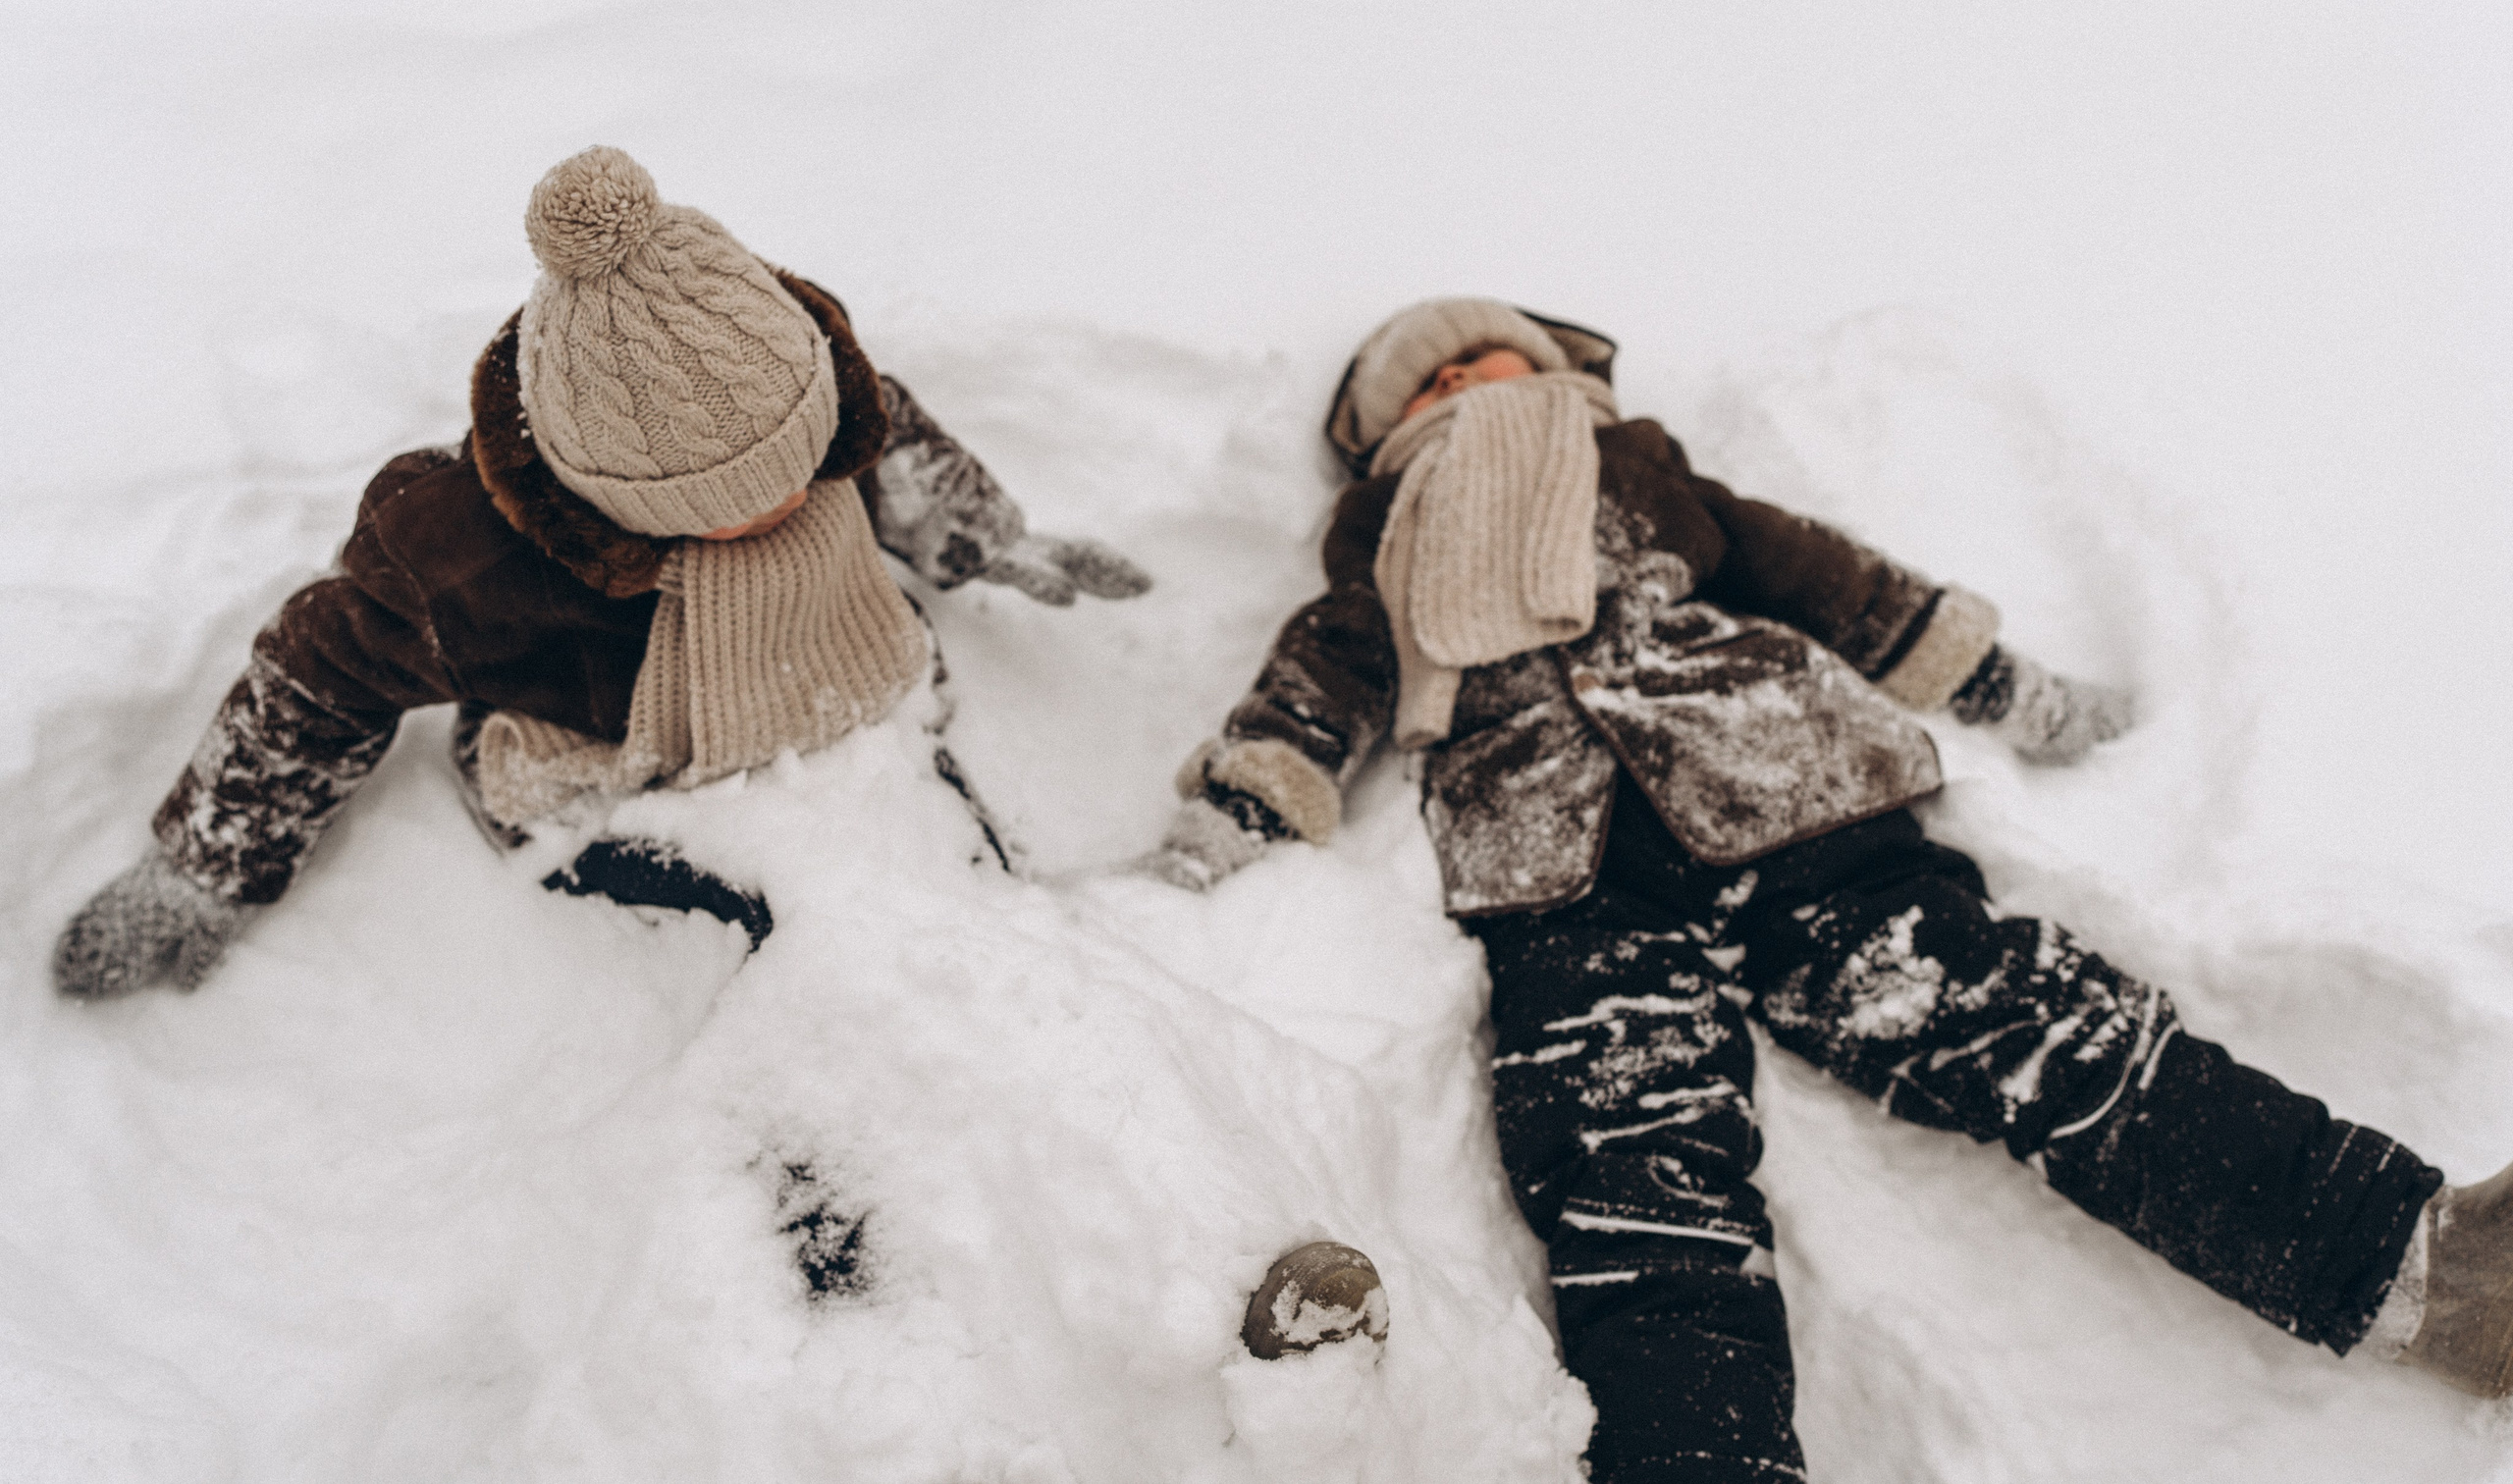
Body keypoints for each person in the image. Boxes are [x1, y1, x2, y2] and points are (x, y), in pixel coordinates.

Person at [1145, 295, 2511, 1478]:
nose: (1452, 391)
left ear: (1554, 367)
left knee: (2034, 1027)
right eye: (1419, 388)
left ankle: (2419, 1264)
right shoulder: (1384, 543)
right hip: (1559, 870)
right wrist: (1241, 808)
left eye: (1474, 363)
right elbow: (1319, 681)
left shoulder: (1642, 466)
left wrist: (2002, 685)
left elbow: (1829, 579)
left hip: (1790, 798)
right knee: (1631, 1171)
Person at [54, 146, 1150, 999]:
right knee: (794, 931)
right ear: (615, 496)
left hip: (845, 681)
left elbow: (894, 447)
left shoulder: (808, 396)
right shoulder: (472, 561)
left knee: (964, 881)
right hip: (614, 769)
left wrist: (992, 541)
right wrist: (208, 858)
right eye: (731, 503)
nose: (788, 502)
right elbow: (316, 675)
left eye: (801, 466)